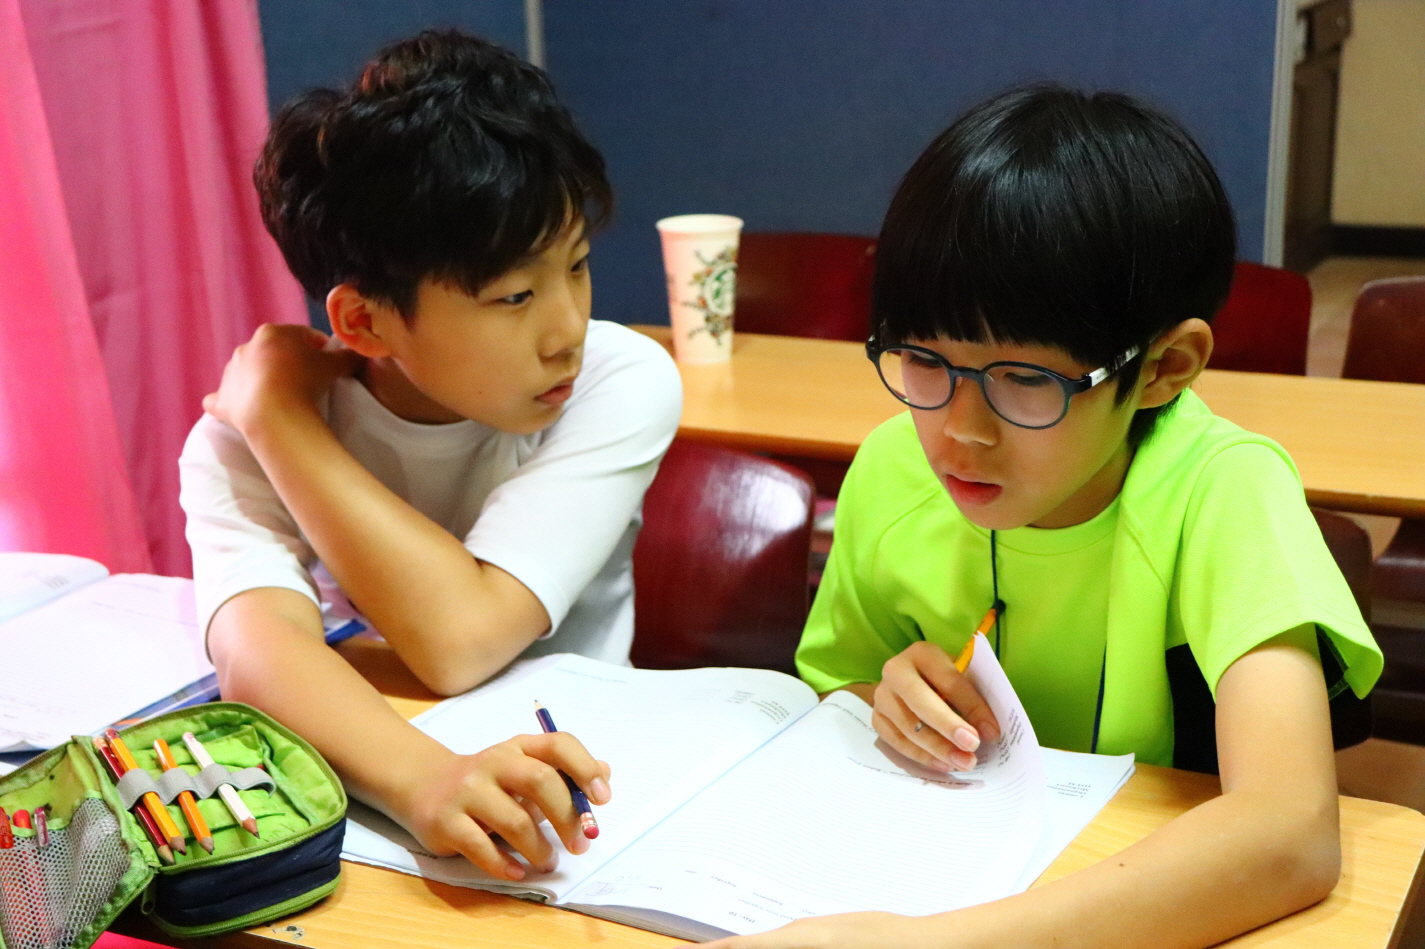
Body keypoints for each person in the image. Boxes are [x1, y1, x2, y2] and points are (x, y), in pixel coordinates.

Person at [708, 86, 1382, 948]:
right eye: (922, 359)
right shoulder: (893, 466)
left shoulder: (1225, 490)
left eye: (1025, 380)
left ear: (1164, 367)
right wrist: (886, 698)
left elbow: (1288, 833)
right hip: (957, 869)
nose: (960, 431)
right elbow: (835, 691)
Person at [178, 30, 681, 882]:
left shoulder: (618, 378)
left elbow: (461, 639)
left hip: (591, 791)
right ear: (364, 322)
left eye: (577, 266)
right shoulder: (242, 435)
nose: (565, 328)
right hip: (375, 777)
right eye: (514, 296)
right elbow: (254, 649)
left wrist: (280, 419)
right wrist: (421, 780)